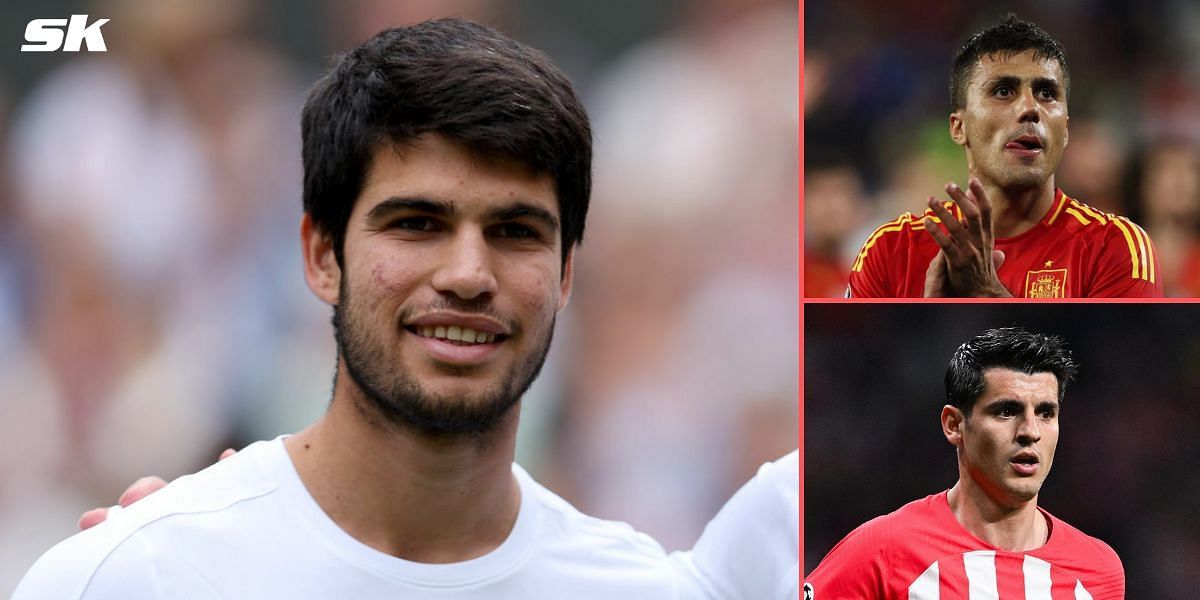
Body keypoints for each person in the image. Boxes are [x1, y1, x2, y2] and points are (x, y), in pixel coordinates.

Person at [13, 19, 705, 599]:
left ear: (565, 275)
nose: (468, 275)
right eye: (417, 223)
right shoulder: (132, 577)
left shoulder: (638, 588)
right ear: (320, 255)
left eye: (515, 232)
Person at [847, 15, 1161, 298]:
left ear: (1065, 131)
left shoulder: (1115, 247)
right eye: (1003, 91)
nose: (1030, 109)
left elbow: (1079, 362)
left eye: (1046, 93)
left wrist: (986, 293)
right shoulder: (890, 250)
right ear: (959, 128)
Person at [804, 327, 1124, 598]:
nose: (1030, 432)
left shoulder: (1099, 570)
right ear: (954, 425)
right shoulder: (882, 551)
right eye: (1006, 411)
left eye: (1045, 413)